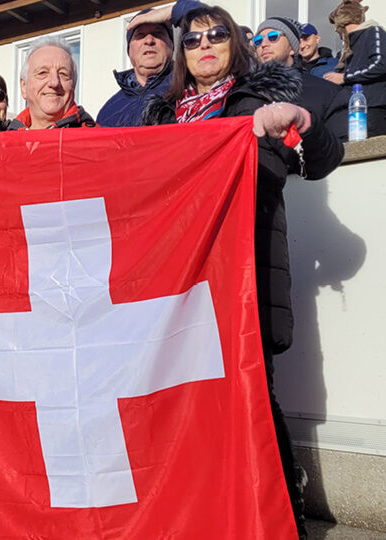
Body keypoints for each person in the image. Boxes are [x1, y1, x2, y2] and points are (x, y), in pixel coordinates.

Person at [138, 4, 344, 538]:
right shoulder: (160, 115)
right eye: (192, 38)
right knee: (181, 403)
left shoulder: (265, 96)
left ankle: (283, 521)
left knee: (252, 399)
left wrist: (301, 123)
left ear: (236, 43)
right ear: (181, 55)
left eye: (217, 35)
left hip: (243, 275)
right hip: (175, 285)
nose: (204, 44)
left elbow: (320, 159)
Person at [254, 17, 348, 140]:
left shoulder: (326, 91)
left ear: (293, 48)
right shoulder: (246, 92)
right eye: (258, 40)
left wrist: (306, 124)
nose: (264, 44)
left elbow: (340, 146)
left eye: (273, 37)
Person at [97, 9, 174, 127]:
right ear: (129, 51)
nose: (149, 40)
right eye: (140, 35)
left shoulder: (192, 90)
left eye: (158, 33)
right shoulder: (108, 112)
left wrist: (173, 12)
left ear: (171, 46)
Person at [326, 0, 386, 137]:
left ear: (341, 24)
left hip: (374, 110)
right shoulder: (347, 50)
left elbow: (381, 63)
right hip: (354, 114)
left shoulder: (373, 31)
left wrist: (344, 77)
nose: (336, 31)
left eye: (336, 27)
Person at [9, 36, 95, 130]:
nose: (54, 83)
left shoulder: (97, 140)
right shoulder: (4, 141)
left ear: (74, 86)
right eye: (43, 73)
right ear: (23, 87)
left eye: (63, 74)